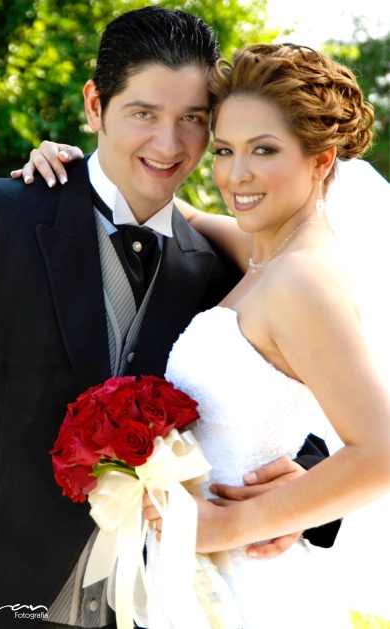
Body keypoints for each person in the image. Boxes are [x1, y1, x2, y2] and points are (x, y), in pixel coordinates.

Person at [0, 9, 336, 629]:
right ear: (96, 105)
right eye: (144, 113)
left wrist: (305, 491)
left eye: (194, 121)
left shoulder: (225, 272)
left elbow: (276, 413)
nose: (169, 144)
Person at [138, 44, 390, 628]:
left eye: (264, 150)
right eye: (224, 150)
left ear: (323, 160)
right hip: (205, 583)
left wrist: (232, 524)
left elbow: (381, 453)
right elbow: (183, 218)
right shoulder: (266, 255)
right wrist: (73, 167)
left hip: (253, 587)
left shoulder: (300, 279)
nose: (235, 174)